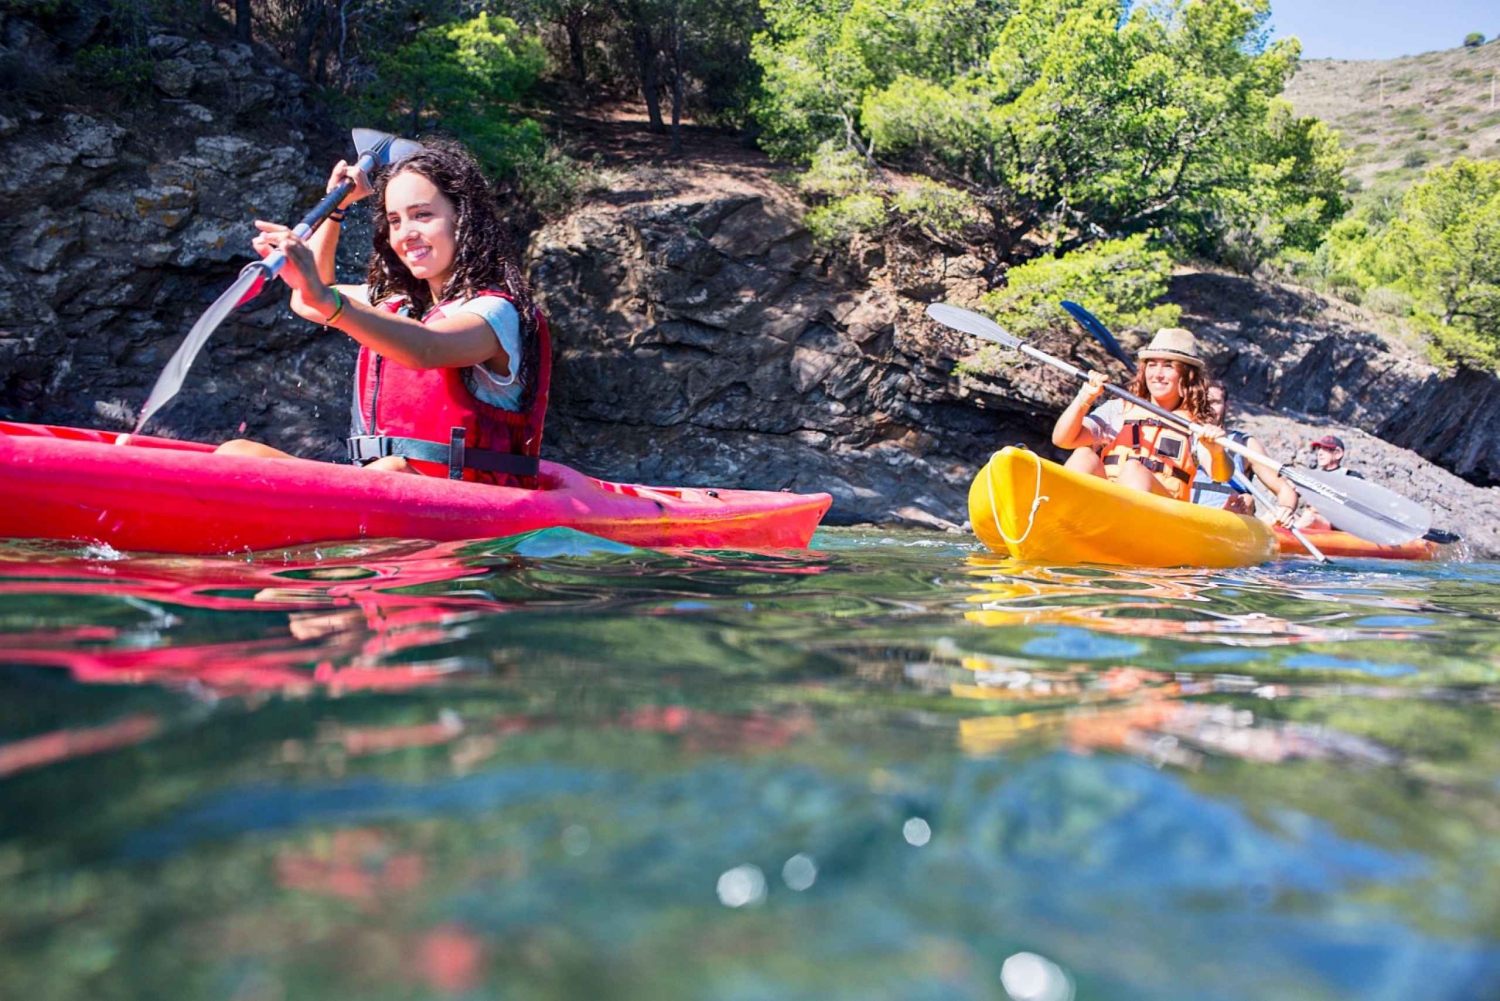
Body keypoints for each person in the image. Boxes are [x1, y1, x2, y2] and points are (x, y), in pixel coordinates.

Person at [216, 138, 550, 486]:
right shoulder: (398, 304)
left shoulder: (497, 313)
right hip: (380, 489)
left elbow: (426, 348)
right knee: (237, 452)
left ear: (464, 219)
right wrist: (335, 210)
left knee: (391, 471)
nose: (407, 234)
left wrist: (323, 297)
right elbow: (307, 301)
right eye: (395, 220)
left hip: (467, 502)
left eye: (423, 215)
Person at [1052, 328, 1232, 500]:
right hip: (1110, 500)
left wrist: (1217, 452)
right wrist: (1084, 398)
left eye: (1168, 366)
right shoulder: (1119, 409)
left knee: (1134, 470)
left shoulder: (1196, 425)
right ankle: (1058, 518)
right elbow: (1063, 440)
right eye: (1152, 365)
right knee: (1083, 455)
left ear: (1186, 376)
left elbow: (1221, 475)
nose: (1157, 374)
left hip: (1163, 512)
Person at [1190, 381, 1300, 525]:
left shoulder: (1245, 444)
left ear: (1227, 405)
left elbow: (1284, 489)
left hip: (1228, 526)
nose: (1208, 408)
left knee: (1247, 501)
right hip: (1186, 518)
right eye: (1202, 402)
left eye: (1215, 402)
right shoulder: (1181, 437)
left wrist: (1285, 509)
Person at [1294, 435, 1363, 530]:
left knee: (1310, 517)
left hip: (1335, 526)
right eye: (1319, 449)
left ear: (1338, 453)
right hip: (1310, 519)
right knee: (1273, 514)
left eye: (1325, 449)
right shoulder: (1312, 477)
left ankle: (1288, 536)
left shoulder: (1351, 476)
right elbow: (1292, 491)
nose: (1319, 453)